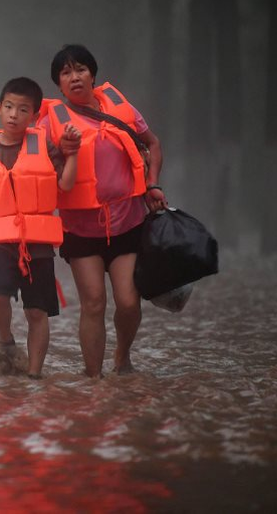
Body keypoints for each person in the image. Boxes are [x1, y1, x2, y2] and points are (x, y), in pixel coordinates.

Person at [37, 44, 167, 378]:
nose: (74, 77)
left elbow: (152, 143)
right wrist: (61, 154)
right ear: (59, 85)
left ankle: (122, 359)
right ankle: (93, 379)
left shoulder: (120, 109)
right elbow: (39, 170)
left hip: (127, 222)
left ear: (93, 75)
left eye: (80, 69)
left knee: (127, 302)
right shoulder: (50, 124)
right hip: (81, 229)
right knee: (93, 303)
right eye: (65, 73)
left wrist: (153, 184)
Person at [0, 77, 78, 379]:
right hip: (0, 239)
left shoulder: (45, 147)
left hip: (37, 242)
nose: (15, 114)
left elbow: (65, 185)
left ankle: (34, 377)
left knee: (36, 312)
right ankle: (6, 340)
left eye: (23, 109)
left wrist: (73, 155)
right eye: (10, 107)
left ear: (34, 115)